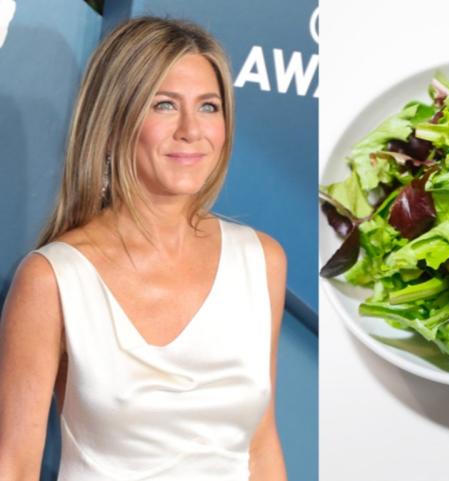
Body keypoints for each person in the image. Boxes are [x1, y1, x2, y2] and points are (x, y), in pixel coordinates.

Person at [0, 17, 287, 481]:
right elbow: (14, 467)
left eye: (209, 107)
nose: (192, 130)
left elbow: (261, 445)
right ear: (114, 123)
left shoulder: (262, 261)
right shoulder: (53, 279)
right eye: (164, 105)